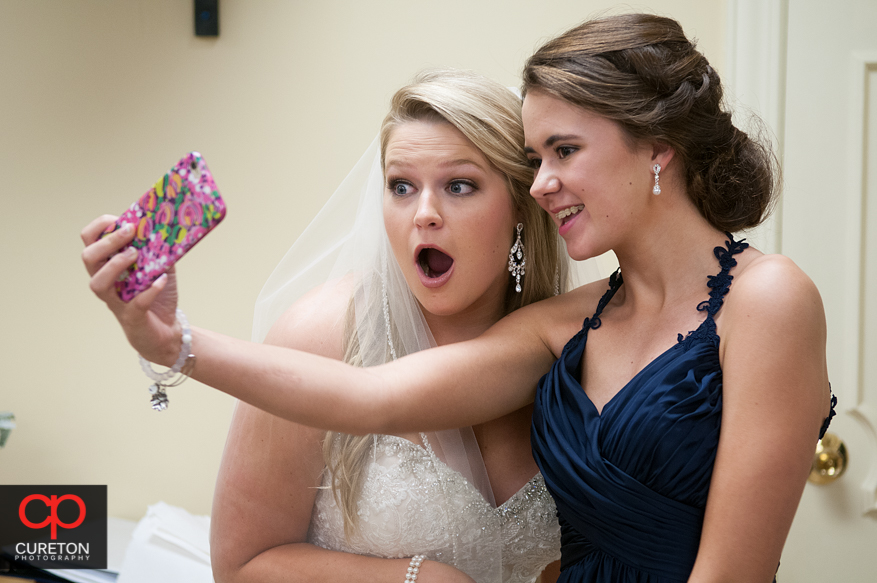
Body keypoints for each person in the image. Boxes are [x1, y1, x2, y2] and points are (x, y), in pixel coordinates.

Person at [83, 14, 835, 583]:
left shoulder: (767, 299)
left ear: (656, 147)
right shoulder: (562, 329)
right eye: (535, 159)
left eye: (563, 151)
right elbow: (368, 396)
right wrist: (172, 342)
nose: (542, 184)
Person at [85, 70, 598, 583]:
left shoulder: (568, 347)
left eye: (458, 186)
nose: (423, 214)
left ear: (520, 205)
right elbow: (241, 566)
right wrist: (415, 579)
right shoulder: (322, 334)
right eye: (401, 186)